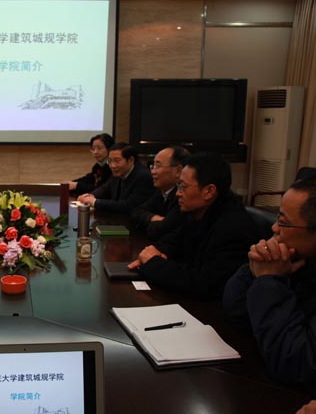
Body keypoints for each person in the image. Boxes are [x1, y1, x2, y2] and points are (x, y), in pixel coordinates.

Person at [223, 177, 316, 393]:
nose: (274, 228)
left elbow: (296, 364)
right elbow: (235, 312)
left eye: (283, 222)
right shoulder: (295, 261)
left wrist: (269, 281)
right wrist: (254, 269)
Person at [128, 152, 259, 299]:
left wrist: (153, 263)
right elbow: (174, 241)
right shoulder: (197, 211)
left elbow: (203, 283)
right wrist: (157, 252)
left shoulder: (233, 228)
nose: (178, 193)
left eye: (183, 187)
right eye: (178, 186)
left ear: (209, 191)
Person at [131, 146, 189, 241]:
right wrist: (153, 217)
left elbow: (160, 231)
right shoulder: (162, 191)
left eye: (157, 166)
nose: (153, 172)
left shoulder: (183, 196)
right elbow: (136, 212)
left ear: (178, 170)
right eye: (152, 166)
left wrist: (149, 223)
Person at [77, 142, 154, 214]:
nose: (112, 166)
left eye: (117, 161)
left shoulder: (143, 176)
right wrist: (90, 195)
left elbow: (129, 206)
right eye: (110, 161)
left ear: (131, 160)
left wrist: (95, 202)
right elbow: (105, 188)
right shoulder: (118, 172)